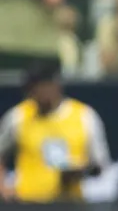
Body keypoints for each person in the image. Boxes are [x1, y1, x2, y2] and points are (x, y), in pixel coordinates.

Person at [0, 60, 111, 203]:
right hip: (28, 207)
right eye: (32, 90)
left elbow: (101, 165)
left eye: (41, 88)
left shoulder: (84, 116)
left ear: (55, 85)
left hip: (70, 208)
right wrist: (4, 188)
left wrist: (80, 171)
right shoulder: (19, 116)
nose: (37, 95)